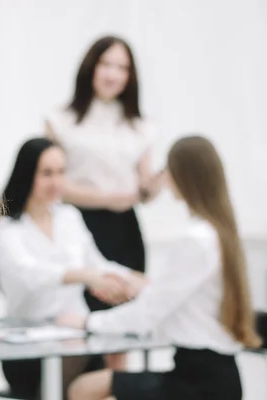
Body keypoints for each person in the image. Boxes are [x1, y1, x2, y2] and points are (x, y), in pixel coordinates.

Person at [59, 135, 262, 400]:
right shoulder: (218, 234)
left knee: (83, 389)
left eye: (168, 170)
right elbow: (183, 299)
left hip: (196, 384)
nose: (164, 178)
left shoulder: (196, 239)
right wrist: (142, 288)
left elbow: (148, 315)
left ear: (183, 176)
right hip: (213, 377)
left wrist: (86, 321)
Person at [0, 137, 146, 399]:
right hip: (30, 351)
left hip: (78, 341)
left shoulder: (69, 217)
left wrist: (133, 279)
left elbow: (98, 264)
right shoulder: (6, 229)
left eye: (61, 172)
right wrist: (86, 276)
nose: (56, 182)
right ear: (28, 174)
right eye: (47, 173)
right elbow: (28, 275)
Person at [45, 35, 162, 369]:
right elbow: (55, 185)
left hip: (125, 230)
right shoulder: (61, 120)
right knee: (79, 321)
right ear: (91, 68)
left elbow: (144, 189)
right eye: (106, 64)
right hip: (78, 225)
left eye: (122, 67)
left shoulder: (140, 127)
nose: (113, 74)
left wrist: (160, 183)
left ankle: (114, 385)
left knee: (120, 324)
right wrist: (107, 198)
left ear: (131, 76)